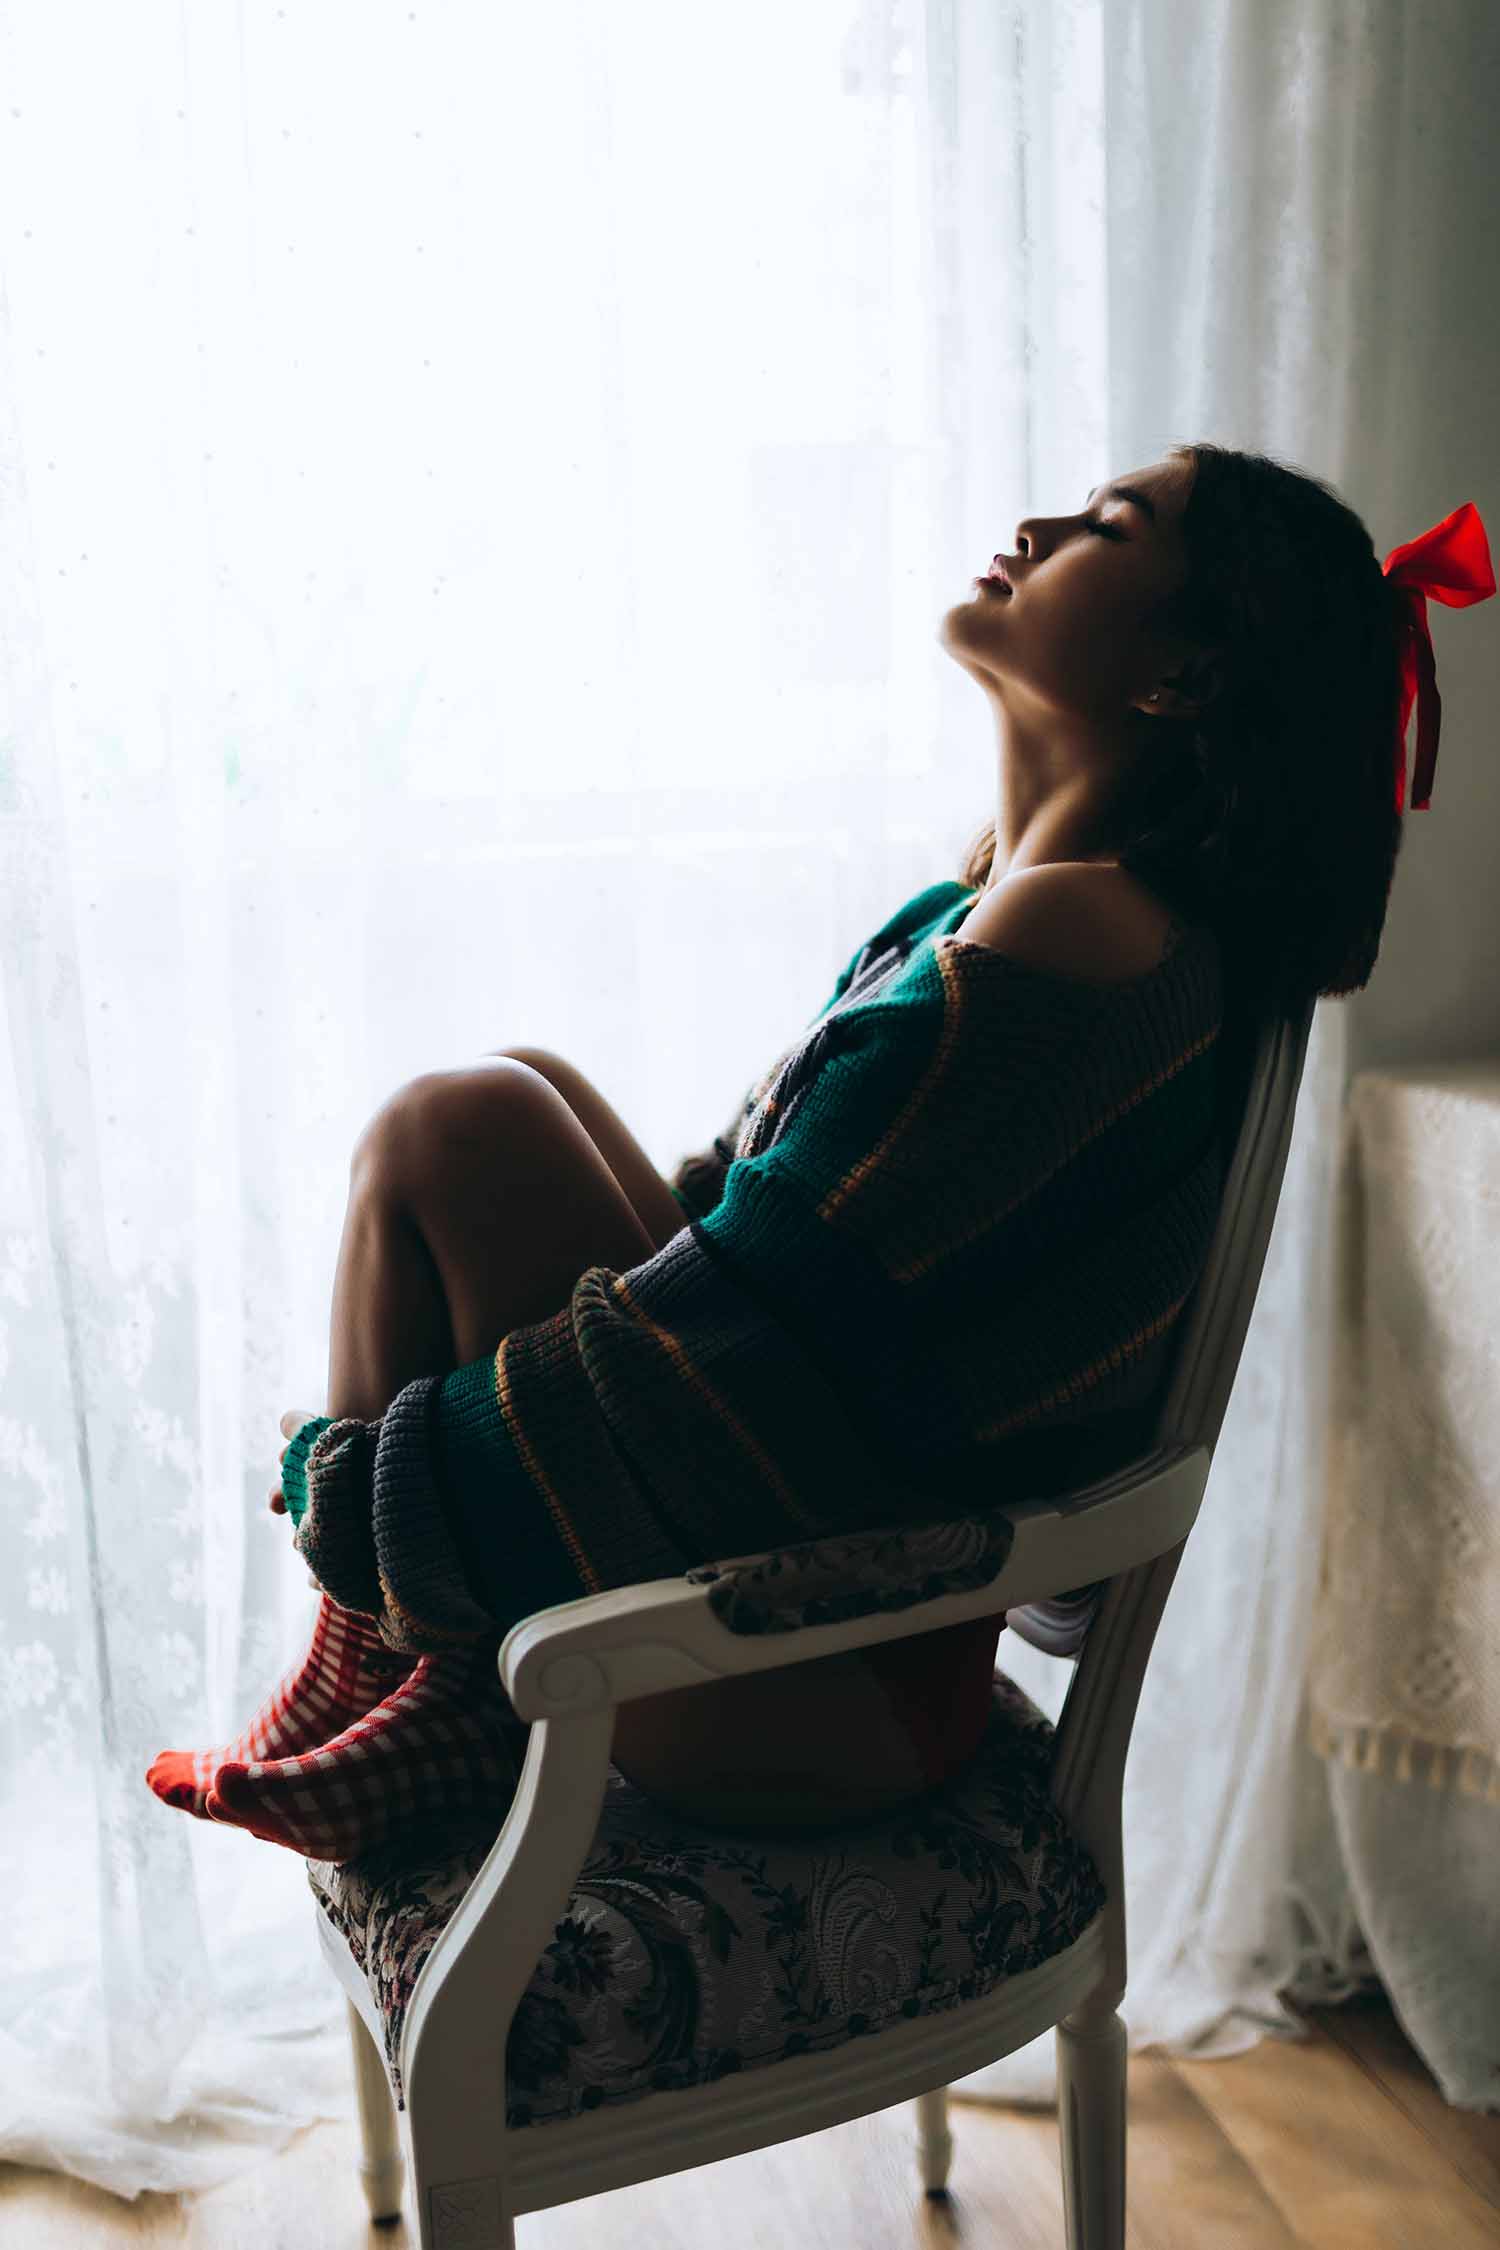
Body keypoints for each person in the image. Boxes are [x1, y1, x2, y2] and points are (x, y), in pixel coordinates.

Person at [145, 441, 1466, 1863]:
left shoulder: (1068, 945)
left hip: (819, 1678)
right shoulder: (993, 915)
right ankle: (425, 1671)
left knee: (456, 1126)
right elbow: (758, 1239)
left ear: (1180, 675)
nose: (1036, 521)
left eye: (1106, 527)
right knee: (520, 1090)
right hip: (832, 1635)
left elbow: (745, 1350)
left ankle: (398, 1653)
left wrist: (363, 1496)